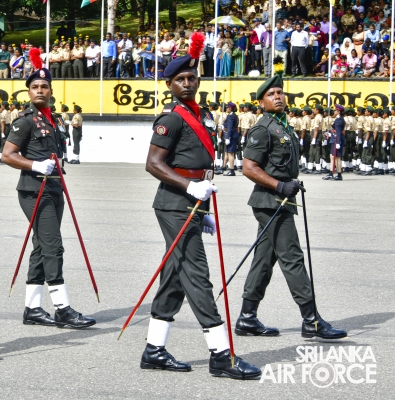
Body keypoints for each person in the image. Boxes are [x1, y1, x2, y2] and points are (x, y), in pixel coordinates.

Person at [141, 32, 260, 379]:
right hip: (174, 203)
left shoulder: (201, 114)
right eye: (180, 79)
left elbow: (198, 162)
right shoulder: (171, 118)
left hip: (192, 202)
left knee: (175, 277)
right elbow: (153, 164)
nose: (187, 83)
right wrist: (191, 187)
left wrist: (202, 206)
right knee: (197, 274)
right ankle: (221, 354)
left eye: (192, 77)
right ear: (169, 84)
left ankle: (154, 349)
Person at [235, 75, 347, 340]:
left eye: (280, 92)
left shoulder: (282, 126)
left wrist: (287, 184)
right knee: (292, 258)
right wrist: (279, 185)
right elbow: (249, 168)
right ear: (261, 102)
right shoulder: (263, 129)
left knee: (264, 260)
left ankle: (247, 317)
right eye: (271, 94)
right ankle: (311, 320)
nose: (277, 97)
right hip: (270, 201)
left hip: (280, 199)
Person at [1, 48, 96, 329]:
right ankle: (62, 308)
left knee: (41, 246)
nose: (40, 90)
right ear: (28, 91)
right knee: (53, 246)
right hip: (34, 190)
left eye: (44, 86)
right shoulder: (25, 120)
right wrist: (34, 165)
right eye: (35, 87)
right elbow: (7, 155)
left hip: (54, 188)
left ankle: (32, 308)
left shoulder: (54, 120)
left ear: (51, 91)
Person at [323, 104, 346, 181]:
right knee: (332, 157)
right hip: (335, 138)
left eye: (336, 110)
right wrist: (330, 134)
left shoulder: (338, 120)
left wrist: (338, 142)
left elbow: (338, 132)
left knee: (337, 158)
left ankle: (339, 174)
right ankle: (331, 173)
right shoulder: (338, 119)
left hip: (337, 140)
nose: (334, 112)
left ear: (338, 111)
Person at [222, 102, 239, 176]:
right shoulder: (234, 115)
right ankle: (223, 167)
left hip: (231, 136)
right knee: (227, 152)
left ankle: (232, 170)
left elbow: (230, 128)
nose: (226, 109)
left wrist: (227, 137)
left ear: (230, 108)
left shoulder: (230, 116)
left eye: (227, 107)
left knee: (230, 154)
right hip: (233, 135)